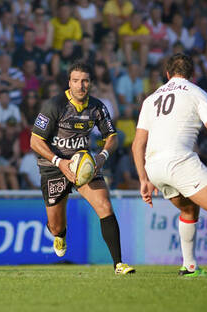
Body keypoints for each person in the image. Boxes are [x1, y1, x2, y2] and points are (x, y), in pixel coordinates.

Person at [132, 53, 207, 277]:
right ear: (192, 75)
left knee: (189, 208)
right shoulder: (196, 92)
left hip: (154, 167)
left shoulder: (150, 99)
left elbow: (137, 145)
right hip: (179, 160)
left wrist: (144, 179)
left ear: (167, 74)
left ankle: (189, 266)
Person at [30, 61, 134, 275]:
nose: (81, 85)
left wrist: (102, 156)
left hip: (83, 166)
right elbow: (35, 141)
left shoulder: (97, 106)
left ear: (91, 83)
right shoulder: (54, 105)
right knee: (56, 226)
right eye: (76, 81)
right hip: (54, 167)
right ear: (69, 83)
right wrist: (60, 162)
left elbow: (111, 136)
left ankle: (118, 264)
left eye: (85, 81)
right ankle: (60, 235)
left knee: (105, 205)